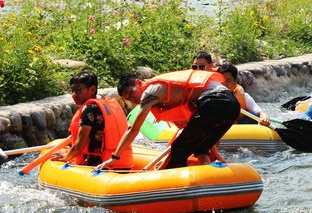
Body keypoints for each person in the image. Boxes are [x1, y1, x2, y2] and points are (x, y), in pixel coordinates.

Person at [96, 68, 240, 170]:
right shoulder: (167, 96)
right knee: (201, 148)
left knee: (178, 149)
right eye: (128, 99)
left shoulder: (150, 91)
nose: (133, 100)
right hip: (232, 106)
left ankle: (179, 189)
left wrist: (114, 158)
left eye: (130, 93)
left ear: (139, 82)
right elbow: (193, 128)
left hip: (215, 102)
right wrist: (211, 148)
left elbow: (134, 129)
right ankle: (209, 178)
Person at [53, 71, 133, 168]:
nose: (74, 94)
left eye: (78, 90)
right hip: (123, 164)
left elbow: (79, 147)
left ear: (92, 89)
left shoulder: (88, 109)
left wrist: (66, 156)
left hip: (100, 166)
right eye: (72, 90)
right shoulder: (107, 105)